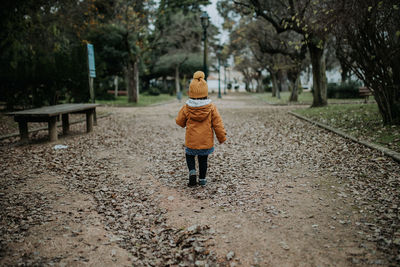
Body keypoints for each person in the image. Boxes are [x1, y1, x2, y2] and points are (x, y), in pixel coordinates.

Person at [176, 71, 227, 187]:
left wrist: (182, 121)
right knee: (203, 159)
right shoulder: (211, 107)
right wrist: (222, 137)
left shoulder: (187, 107)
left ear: (191, 91)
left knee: (189, 156)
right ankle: (203, 179)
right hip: (205, 141)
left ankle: (192, 171)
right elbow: (218, 124)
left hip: (191, 140)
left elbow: (180, 121)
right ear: (205, 92)